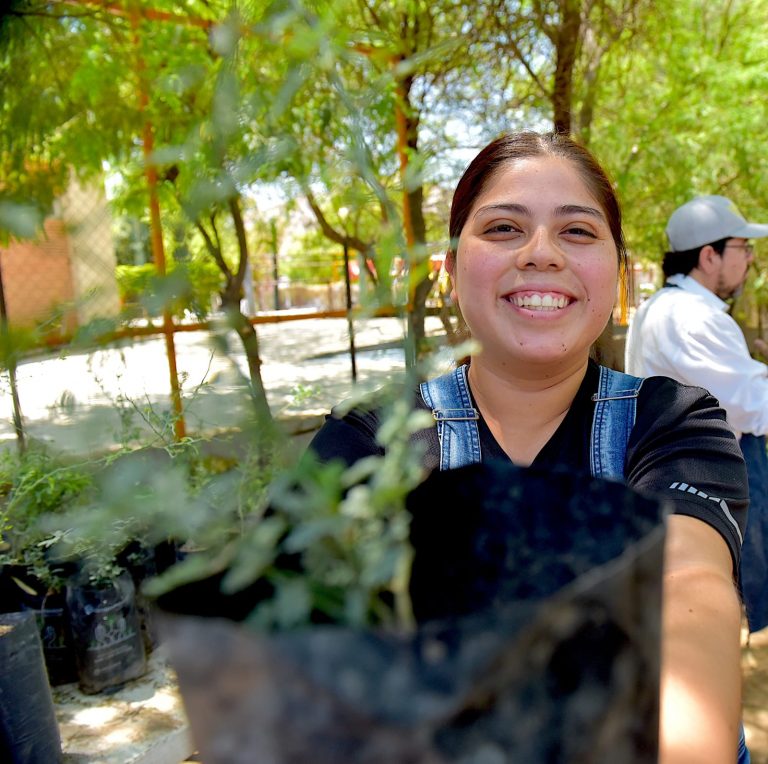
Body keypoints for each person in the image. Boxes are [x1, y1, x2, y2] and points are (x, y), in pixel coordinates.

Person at [309, 132, 748, 764]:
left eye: (577, 231)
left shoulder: (672, 424)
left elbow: (689, 582)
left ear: (619, 275)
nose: (541, 252)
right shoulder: (369, 439)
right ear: (451, 269)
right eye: (504, 228)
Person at [625, 194, 768, 637]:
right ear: (709, 255)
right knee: (729, 605)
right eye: (743, 248)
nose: (749, 259)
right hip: (713, 473)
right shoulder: (693, 317)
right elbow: (752, 406)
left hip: (679, 470)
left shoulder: (661, 307)